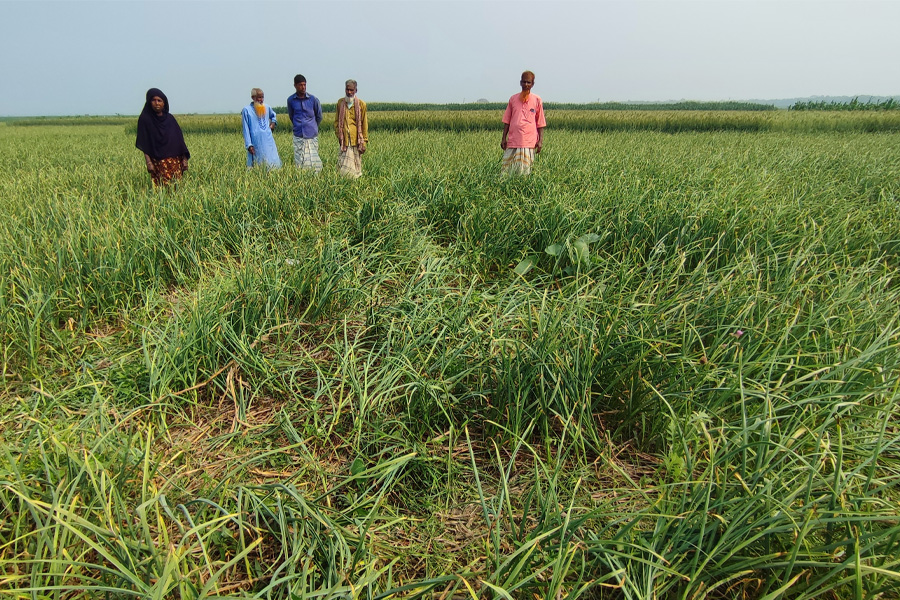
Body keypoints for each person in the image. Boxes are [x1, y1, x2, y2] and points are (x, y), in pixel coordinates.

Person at [135, 88, 190, 186]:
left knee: (177, 188)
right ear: (149, 102)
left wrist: (184, 159)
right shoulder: (145, 119)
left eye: (159, 100)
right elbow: (144, 142)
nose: (156, 103)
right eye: (153, 100)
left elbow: (180, 141)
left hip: (175, 161)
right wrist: (149, 162)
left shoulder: (170, 119)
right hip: (158, 162)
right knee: (161, 189)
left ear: (164, 103)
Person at [500, 70, 546, 176]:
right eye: (524, 82)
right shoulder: (513, 99)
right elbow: (507, 121)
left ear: (532, 84)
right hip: (513, 140)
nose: (526, 85)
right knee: (507, 171)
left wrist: (540, 141)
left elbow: (540, 122)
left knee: (525, 171)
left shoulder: (537, 100)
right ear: (520, 83)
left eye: (528, 82)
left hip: (529, 141)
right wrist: (503, 139)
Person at [286, 74, 323, 173]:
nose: (303, 87)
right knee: (299, 160)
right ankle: (301, 180)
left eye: (304, 85)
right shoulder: (291, 100)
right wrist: (298, 125)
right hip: (298, 135)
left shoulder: (313, 99)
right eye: (300, 85)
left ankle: (315, 179)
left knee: (313, 160)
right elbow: (291, 116)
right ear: (295, 85)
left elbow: (319, 116)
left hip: (311, 135)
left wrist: (312, 126)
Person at [333, 79, 369, 179]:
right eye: (347, 89)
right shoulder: (340, 103)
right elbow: (336, 122)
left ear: (355, 90)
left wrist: (364, 141)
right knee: (342, 167)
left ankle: (354, 185)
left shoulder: (361, 105)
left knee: (355, 167)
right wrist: (339, 135)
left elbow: (364, 124)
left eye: (351, 90)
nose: (349, 92)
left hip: (356, 141)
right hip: (344, 142)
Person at [241, 88, 281, 169]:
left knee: (272, 162)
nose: (261, 100)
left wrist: (273, 124)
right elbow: (246, 129)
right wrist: (249, 145)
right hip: (256, 142)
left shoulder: (267, 107)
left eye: (262, 97)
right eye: (259, 97)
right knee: (258, 165)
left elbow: (274, 116)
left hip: (268, 141)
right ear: (253, 97)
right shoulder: (247, 110)